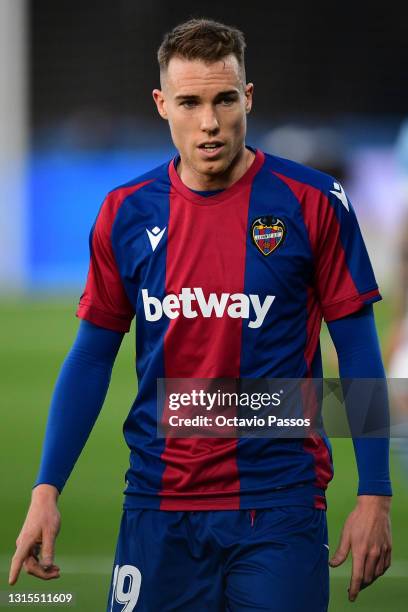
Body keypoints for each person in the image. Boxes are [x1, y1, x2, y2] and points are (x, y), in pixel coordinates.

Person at [9, 18, 392, 612]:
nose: (210, 122)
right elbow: (90, 357)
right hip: (158, 506)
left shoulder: (312, 202)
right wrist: (45, 489)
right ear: (162, 104)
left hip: (279, 506)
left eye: (224, 99)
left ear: (249, 98)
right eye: (190, 102)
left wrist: (375, 496)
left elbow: (361, 350)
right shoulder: (125, 213)